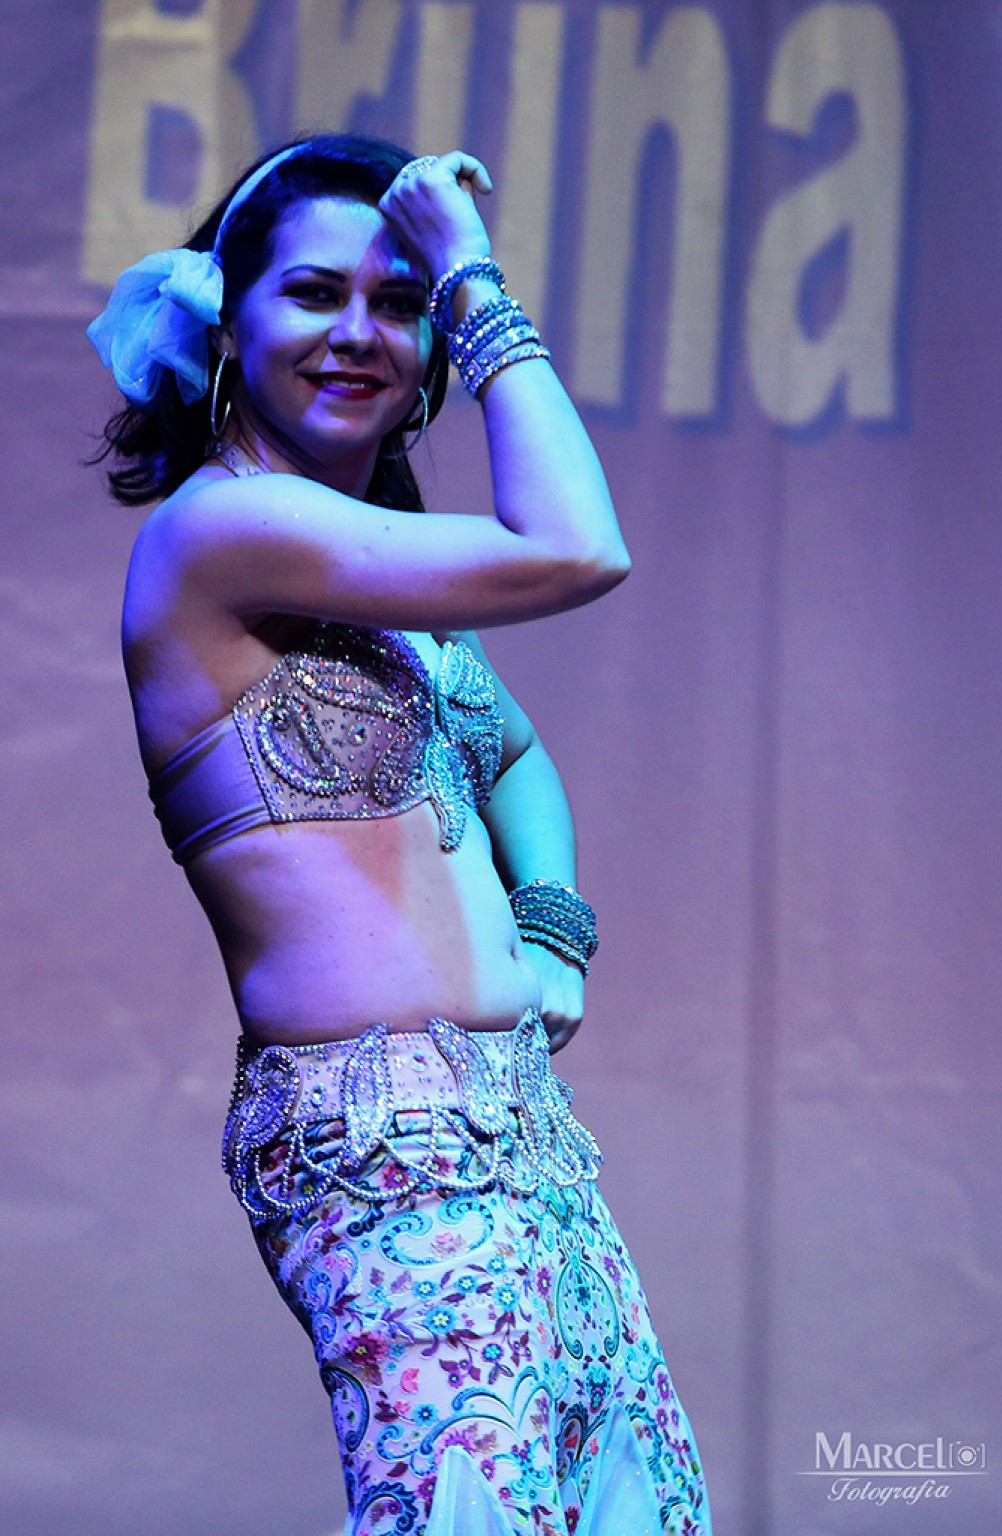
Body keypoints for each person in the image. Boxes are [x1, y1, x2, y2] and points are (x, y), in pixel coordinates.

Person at [88, 134, 711, 1536]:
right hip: (376, 1153)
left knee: (631, 1511)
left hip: (527, 1133)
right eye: (315, 294)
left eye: (400, 300)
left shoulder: (380, 589)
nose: (360, 332)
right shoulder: (220, 534)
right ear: (225, 328)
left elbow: (516, 758)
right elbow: (579, 547)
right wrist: (474, 275)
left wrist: (552, 929)